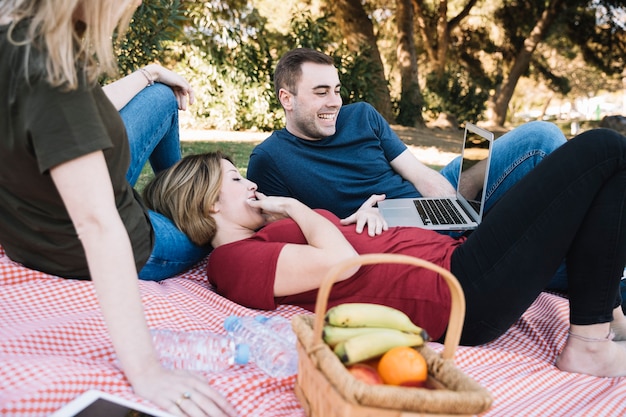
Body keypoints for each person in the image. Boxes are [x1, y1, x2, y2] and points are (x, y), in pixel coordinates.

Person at [143, 127, 626, 378]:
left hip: (460, 260)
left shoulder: (264, 238)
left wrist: (365, 220)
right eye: (236, 178)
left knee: (601, 187)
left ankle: (607, 324)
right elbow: (337, 265)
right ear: (207, 201)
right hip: (460, 291)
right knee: (601, 150)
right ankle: (587, 346)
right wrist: (296, 206)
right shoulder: (232, 261)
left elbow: (340, 250)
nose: (251, 183)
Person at [0, 1, 235, 416]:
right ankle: (197, 205)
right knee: (221, 229)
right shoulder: (50, 71)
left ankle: (182, 191)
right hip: (111, 240)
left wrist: (150, 74)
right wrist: (146, 371)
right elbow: (97, 225)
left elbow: (68, 119)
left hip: (36, 224)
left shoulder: (19, 35)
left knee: (162, 96)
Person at [247, 48, 567, 237]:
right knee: (546, 238)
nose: (335, 102)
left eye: (337, 89)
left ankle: (474, 221)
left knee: (543, 135)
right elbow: (285, 233)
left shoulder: (362, 115)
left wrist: (455, 209)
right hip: (392, 228)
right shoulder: (269, 158)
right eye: (321, 92)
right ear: (286, 99)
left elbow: (417, 172)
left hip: (439, 195)